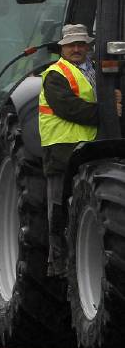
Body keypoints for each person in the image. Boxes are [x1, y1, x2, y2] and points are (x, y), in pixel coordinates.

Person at [39, 23, 121, 276]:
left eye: (81, 44)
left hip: (91, 145)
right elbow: (68, 108)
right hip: (62, 148)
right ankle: (58, 263)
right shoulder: (55, 74)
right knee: (58, 206)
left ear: (88, 46)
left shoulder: (96, 71)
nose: (77, 48)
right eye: (71, 45)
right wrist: (108, 112)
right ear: (62, 48)